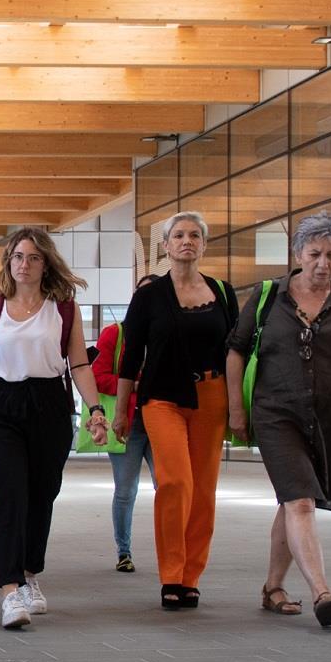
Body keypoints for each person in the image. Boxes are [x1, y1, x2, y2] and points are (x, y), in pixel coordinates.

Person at [225, 211, 331, 629]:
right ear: (298, 253)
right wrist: (236, 409)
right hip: (276, 414)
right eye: (315, 253)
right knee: (300, 500)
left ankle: (273, 587)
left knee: (291, 501)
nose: (323, 263)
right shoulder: (269, 295)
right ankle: (322, 591)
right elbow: (236, 351)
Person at [0, 228, 109, 629]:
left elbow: (79, 364)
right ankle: (9, 590)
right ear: (9, 263)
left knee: (43, 494)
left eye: (33, 257)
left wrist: (95, 409)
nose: (24, 265)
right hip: (0, 407)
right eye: (18, 257)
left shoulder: (64, 308)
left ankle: (29, 574)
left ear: (46, 263)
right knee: (9, 493)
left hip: (49, 405)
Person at [112, 212, 238, 611]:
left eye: (195, 235)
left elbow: (236, 353)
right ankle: (171, 573)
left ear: (204, 245)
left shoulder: (222, 292)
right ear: (165, 246)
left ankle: (190, 577)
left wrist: (238, 406)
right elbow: (131, 357)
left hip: (212, 396)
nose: (187, 241)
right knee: (175, 482)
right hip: (162, 398)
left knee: (203, 490)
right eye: (179, 235)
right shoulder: (149, 297)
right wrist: (121, 412)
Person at [95, 275, 158, 573]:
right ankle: (124, 551)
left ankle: (172, 552)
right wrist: (132, 385)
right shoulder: (115, 334)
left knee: (169, 486)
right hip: (127, 422)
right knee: (125, 490)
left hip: (161, 420)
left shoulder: (168, 335)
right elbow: (98, 376)